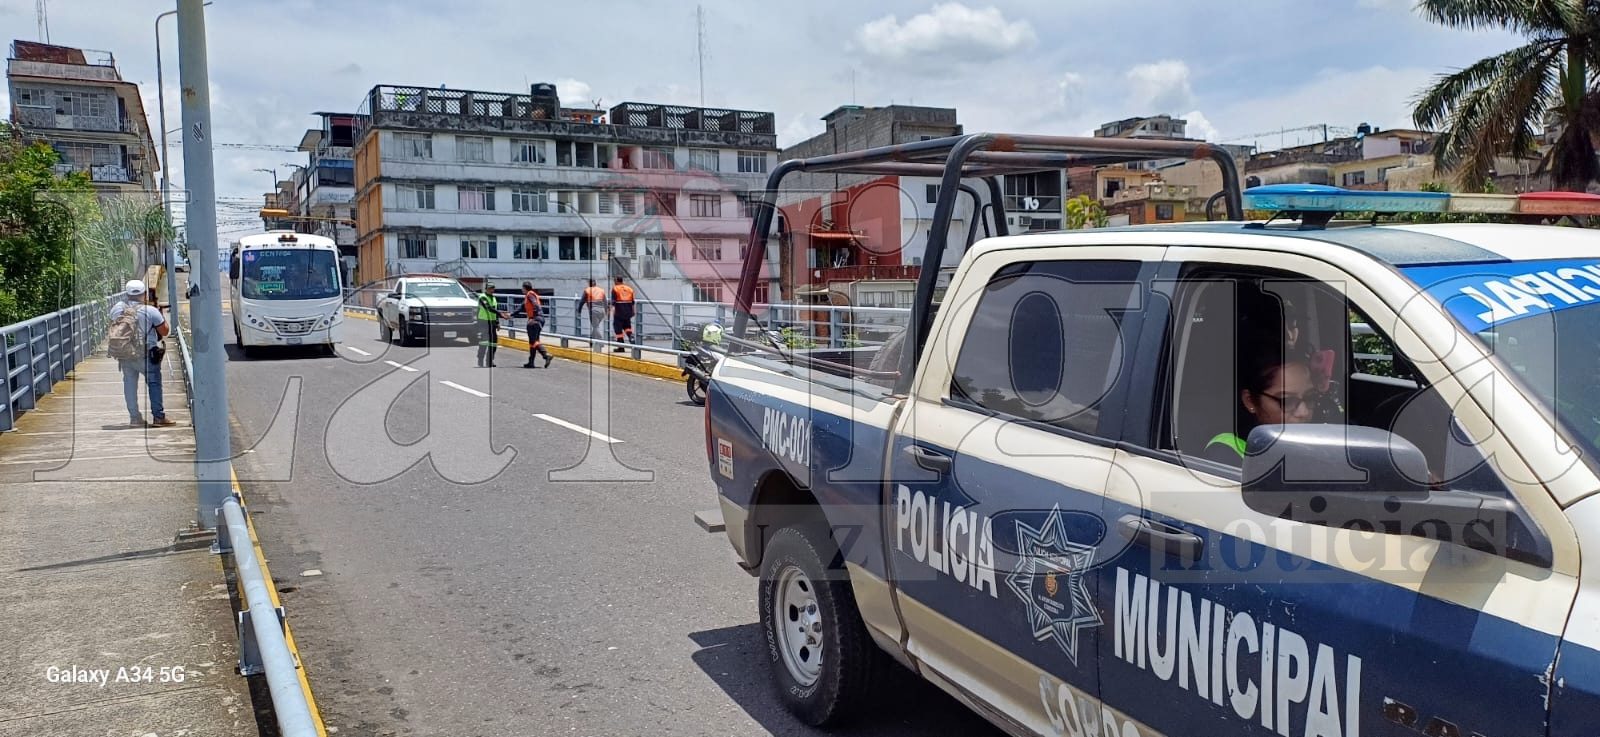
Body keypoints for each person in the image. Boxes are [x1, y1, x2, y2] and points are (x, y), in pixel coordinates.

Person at [1204, 349, 1316, 463]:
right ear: (1250, 401)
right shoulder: (1225, 452)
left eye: (1310, 397)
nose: (1304, 412)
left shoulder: (1312, 442)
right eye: (1287, 401)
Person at [112, 281, 175, 428]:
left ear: (127, 295)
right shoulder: (150, 310)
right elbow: (165, 331)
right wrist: (160, 315)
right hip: (147, 354)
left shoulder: (116, 309)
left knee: (129, 385)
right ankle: (158, 417)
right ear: (144, 294)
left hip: (125, 353)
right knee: (154, 384)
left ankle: (135, 418)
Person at [475, 281, 510, 368]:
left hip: (492, 322)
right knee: (484, 342)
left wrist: (497, 322)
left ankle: (489, 360)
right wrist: (501, 314)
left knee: (493, 343)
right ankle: (480, 359)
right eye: (490, 288)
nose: (491, 290)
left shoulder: (493, 298)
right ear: (486, 289)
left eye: (492, 288)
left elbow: (494, 310)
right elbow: (489, 308)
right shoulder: (482, 297)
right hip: (483, 321)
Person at [520, 282, 553, 368]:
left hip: (535, 319)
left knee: (533, 341)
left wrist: (534, 317)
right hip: (538, 319)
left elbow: (535, 304)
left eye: (522, 288)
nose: (521, 289)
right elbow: (521, 307)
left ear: (525, 288)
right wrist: (511, 315)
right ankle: (531, 362)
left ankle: (546, 355)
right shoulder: (529, 296)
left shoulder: (530, 295)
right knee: (533, 341)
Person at [609, 276, 637, 352]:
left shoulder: (615, 289)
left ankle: (621, 347)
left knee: (617, 329)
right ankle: (631, 337)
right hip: (628, 311)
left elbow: (613, 302)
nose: (614, 282)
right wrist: (633, 311)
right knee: (627, 327)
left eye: (614, 281)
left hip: (619, 311)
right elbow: (632, 302)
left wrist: (611, 311)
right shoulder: (629, 289)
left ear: (617, 281)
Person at [580, 279, 607, 345]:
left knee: (595, 327)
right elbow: (605, 302)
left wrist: (579, 310)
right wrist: (606, 311)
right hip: (602, 311)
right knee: (596, 326)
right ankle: (591, 340)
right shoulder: (601, 290)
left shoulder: (587, 290)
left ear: (589, 283)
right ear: (595, 283)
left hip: (593, 311)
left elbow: (582, 301)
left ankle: (601, 342)